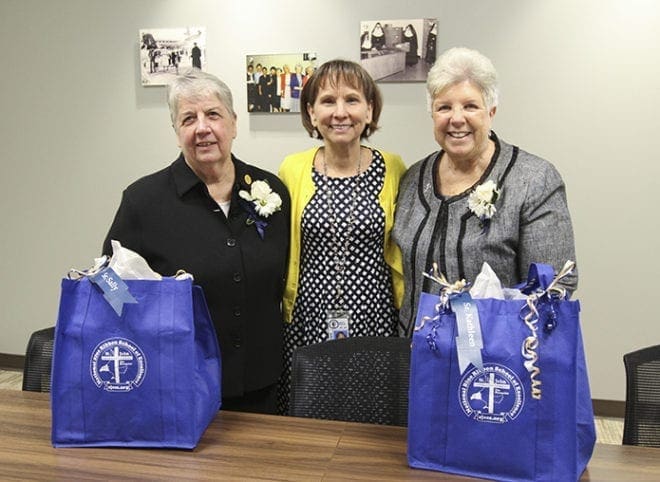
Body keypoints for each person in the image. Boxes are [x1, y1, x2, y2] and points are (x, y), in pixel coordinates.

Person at [102, 68, 290, 414]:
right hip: (177, 383)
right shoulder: (143, 201)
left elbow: (281, 280)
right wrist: (144, 325)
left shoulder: (272, 191)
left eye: (213, 115)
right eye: (188, 118)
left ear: (233, 123)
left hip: (262, 381)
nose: (202, 128)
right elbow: (107, 281)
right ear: (176, 132)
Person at [392, 47, 577, 337]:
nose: (456, 118)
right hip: (417, 357)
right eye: (444, 107)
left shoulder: (533, 180)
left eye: (470, 106)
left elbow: (554, 287)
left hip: (496, 364)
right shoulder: (413, 178)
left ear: (491, 111)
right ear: (432, 114)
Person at [277, 59, 406, 412]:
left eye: (351, 100)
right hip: (310, 316)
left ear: (369, 109)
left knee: (373, 415)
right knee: (313, 412)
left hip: (375, 316)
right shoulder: (292, 169)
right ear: (311, 112)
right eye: (328, 101)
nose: (340, 112)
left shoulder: (393, 167)